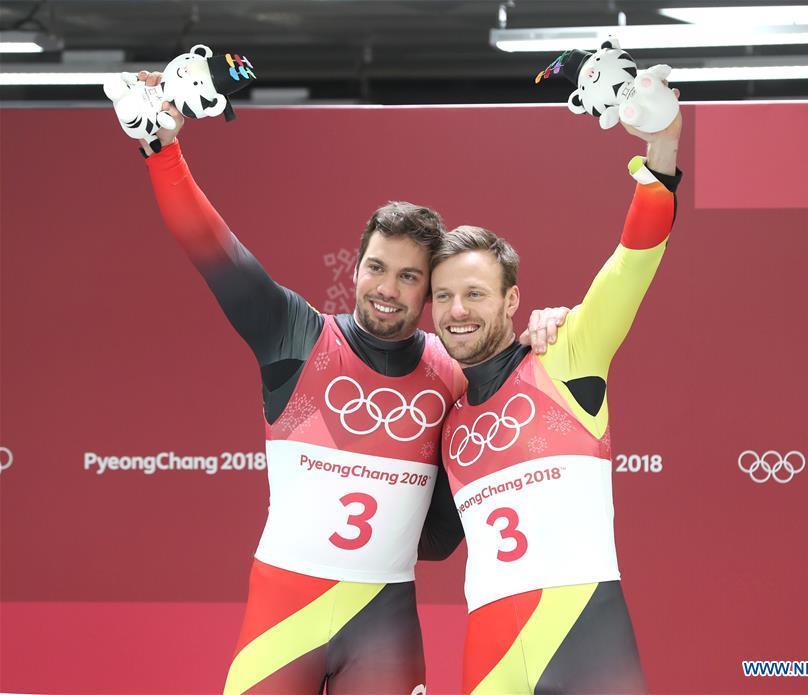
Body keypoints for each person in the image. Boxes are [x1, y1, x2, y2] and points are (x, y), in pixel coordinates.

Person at [122, 70, 566, 695]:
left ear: (429, 291)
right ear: (354, 268)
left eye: (409, 277)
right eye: (377, 268)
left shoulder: (452, 371)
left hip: (385, 625)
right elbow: (213, 251)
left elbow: (518, 378)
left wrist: (552, 324)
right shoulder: (296, 337)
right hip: (282, 616)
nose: (388, 289)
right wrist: (162, 151)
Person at [429, 103, 682, 694]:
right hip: (489, 656)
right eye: (443, 296)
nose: (457, 310)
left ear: (512, 300)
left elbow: (633, 262)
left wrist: (663, 150)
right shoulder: (445, 415)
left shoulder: (566, 354)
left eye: (475, 293)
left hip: (587, 639)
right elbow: (425, 540)